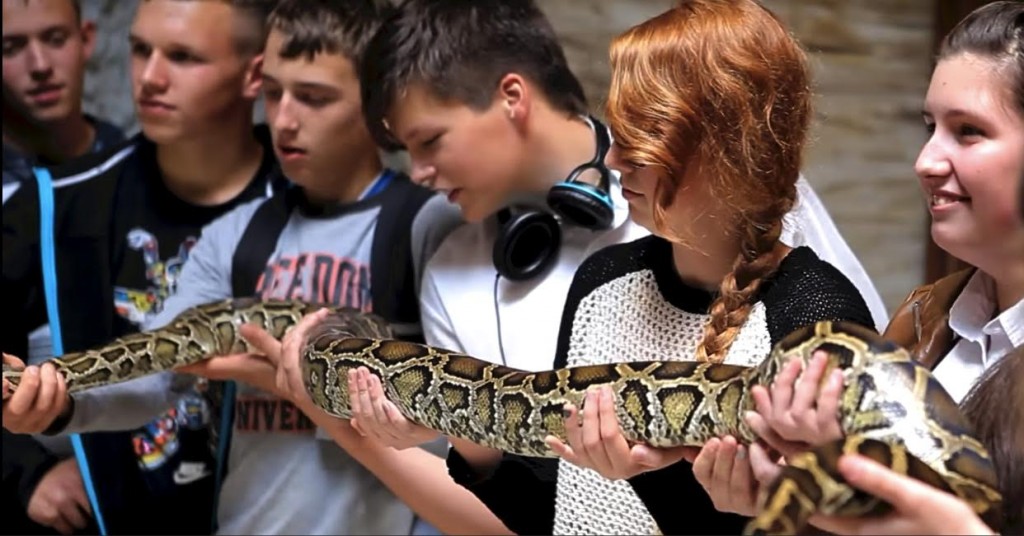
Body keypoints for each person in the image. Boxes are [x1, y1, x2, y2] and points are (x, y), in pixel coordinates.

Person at [338, 0, 876, 534]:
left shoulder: (817, 313)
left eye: (639, 139)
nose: (612, 162)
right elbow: (560, 510)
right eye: (616, 135)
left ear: (722, 148)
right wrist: (456, 425)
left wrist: (652, 476)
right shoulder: (602, 281)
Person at [4, 1, 515, 534]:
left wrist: (314, 391)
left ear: (379, 108)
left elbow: (467, 423)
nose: (285, 119)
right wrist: (58, 405)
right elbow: (159, 373)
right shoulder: (234, 234)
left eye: (313, 98)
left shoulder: (429, 224)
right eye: (273, 93)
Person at [689, 1, 1023, 533]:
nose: (925, 161)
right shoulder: (926, 316)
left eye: (968, 131)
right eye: (930, 126)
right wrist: (801, 496)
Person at [2, 0, 281, 533]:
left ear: (255, 74)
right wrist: (24, 475)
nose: (150, 78)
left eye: (182, 57)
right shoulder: (57, 205)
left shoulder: (301, 204)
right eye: (139, 50)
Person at [2, 0, 124, 201]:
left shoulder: (135, 169)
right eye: (11, 48)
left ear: (86, 39)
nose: (40, 65)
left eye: (56, 40)